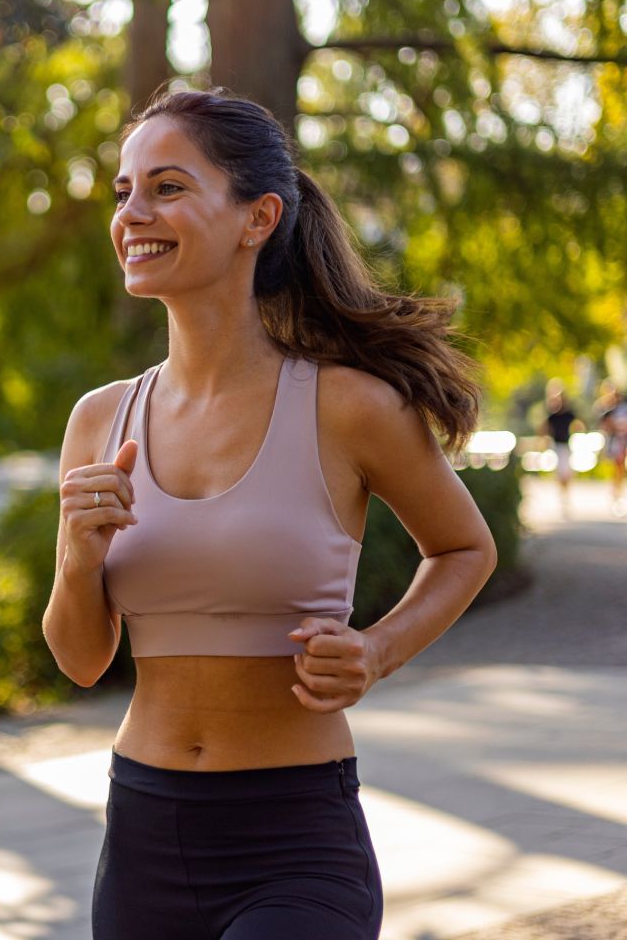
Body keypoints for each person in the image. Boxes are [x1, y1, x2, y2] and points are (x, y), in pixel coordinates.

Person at [42, 88, 497, 940]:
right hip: (144, 833)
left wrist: (376, 649)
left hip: (295, 838)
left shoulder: (348, 408)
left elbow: (465, 548)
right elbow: (79, 659)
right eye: (123, 191)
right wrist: (76, 560)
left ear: (258, 217)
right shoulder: (100, 421)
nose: (132, 213)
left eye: (167, 187)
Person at [538, 379, 581, 515]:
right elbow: (543, 429)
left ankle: (565, 496)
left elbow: (579, 424)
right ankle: (563, 497)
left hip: (567, 445)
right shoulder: (552, 416)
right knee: (561, 473)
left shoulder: (569, 414)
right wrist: (543, 441)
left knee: (566, 473)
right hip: (556, 446)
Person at [599, 388, 627, 516]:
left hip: (623, 442)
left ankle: (618, 496)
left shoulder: (624, 409)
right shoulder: (608, 411)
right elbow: (604, 426)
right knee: (618, 470)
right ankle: (616, 497)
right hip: (617, 444)